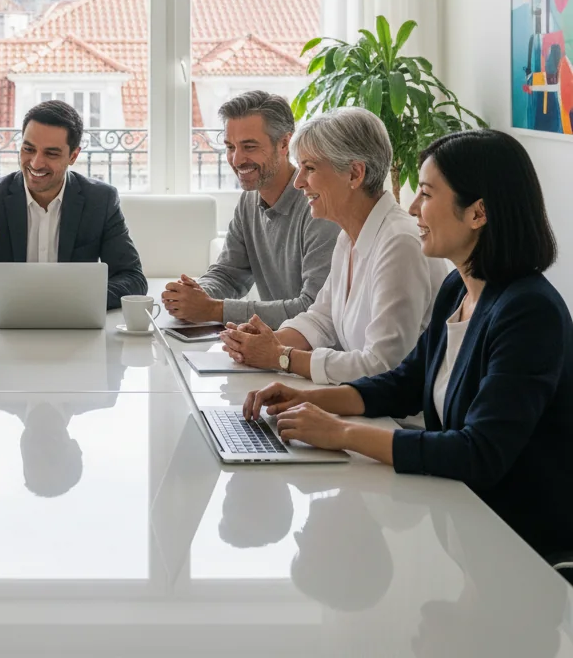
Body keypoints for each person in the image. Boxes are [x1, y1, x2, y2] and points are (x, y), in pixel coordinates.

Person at [242, 129, 573, 559]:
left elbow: (480, 452)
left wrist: (340, 432)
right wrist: (313, 401)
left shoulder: (529, 312)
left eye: (427, 194)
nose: (413, 207)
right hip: (466, 521)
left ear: (478, 213)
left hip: (520, 548)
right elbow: (403, 382)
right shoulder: (459, 288)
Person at [221, 108, 448, 384]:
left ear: (354, 174)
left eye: (310, 168)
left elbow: (382, 365)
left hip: (397, 420)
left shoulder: (400, 243)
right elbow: (321, 318)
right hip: (362, 405)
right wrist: (265, 342)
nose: (298, 181)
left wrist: (282, 356)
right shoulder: (349, 236)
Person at [0, 100, 146, 309]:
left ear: (73, 156)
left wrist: (76, 299)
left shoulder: (100, 200)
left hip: (74, 324)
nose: (35, 163)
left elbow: (133, 279)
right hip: (1, 328)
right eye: (28, 149)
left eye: (51, 153)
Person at [161, 91, 338, 326]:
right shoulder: (249, 201)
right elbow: (228, 274)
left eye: (249, 146)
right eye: (230, 147)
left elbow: (313, 309)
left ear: (285, 143)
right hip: (275, 346)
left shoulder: (318, 206)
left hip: (315, 355)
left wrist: (215, 309)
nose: (236, 160)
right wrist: (196, 294)